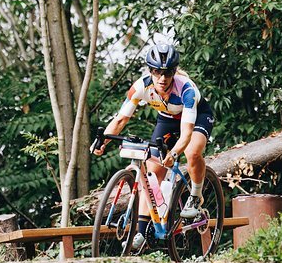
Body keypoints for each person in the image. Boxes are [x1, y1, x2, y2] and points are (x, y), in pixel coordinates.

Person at [92, 41, 216, 236]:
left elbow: (186, 135)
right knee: (152, 171)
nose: (163, 78)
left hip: (196, 116)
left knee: (192, 152)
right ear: (150, 70)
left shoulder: (187, 90)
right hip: (167, 118)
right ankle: (142, 232)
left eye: (168, 73)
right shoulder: (140, 87)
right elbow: (121, 119)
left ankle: (195, 195)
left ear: (175, 72)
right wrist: (103, 141)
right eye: (157, 72)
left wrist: (174, 153)